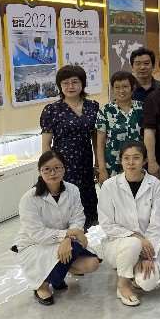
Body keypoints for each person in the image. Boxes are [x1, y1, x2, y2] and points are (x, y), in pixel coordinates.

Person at [15, 151, 100, 306]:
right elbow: (37, 233)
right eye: (47, 169)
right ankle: (42, 285)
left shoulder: (72, 190)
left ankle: (57, 275)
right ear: (40, 171)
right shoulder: (29, 198)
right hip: (36, 244)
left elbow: (78, 218)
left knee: (92, 263)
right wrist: (67, 235)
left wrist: (67, 239)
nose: (53, 173)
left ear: (64, 169)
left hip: (67, 240)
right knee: (70, 249)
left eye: (57, 168)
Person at [98, 141, 160, 306]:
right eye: (126, 158)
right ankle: (123, 285)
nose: (130, 162)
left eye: (136, 158)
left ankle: (131, 270)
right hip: (117, 243)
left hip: (149, 245)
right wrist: (136, 237)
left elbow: (157, 224)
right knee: (133, 243)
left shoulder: (155, 185)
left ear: (144, 160)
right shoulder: (109, 186)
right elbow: (106, 224)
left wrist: (148, 255)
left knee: (148, 283)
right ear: (121, 160)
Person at [41, 65, 100, 226]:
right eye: (65, 83)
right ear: (60, 86)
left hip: (85, 161)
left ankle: (90, 231)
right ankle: (70, 233)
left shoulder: (92, 106)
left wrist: (98, 162)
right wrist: (49, 168)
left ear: (83, 84)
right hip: (62, 163)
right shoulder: (52, 110)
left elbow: (96, 138)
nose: (70, 86)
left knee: (87, 196)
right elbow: (46, 144)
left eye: (75, 82)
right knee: (67, 198)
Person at [96, 71, 143, 183]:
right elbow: (100, 143)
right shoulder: (105, 111)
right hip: (113, 165)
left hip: (137, 164)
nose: (121, 91)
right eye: (117, 87)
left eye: (125, 86)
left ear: (132, 88)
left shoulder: (142, 108)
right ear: (112, 89)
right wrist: (102, 169)